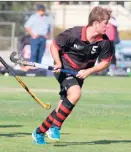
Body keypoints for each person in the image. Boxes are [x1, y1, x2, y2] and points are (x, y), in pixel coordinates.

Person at [32, 6, 113, 144]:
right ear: (95, 23)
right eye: (105, 23)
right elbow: (54, 45)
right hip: (64, 69)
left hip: (80, 73)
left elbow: (105, 62)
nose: (108, 26)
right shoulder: (74, 33)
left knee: (61, 109)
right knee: (75, 94)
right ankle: (55, 127)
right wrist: (57, 62)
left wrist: (89, 71)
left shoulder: (104, 42)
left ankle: (39, 132)